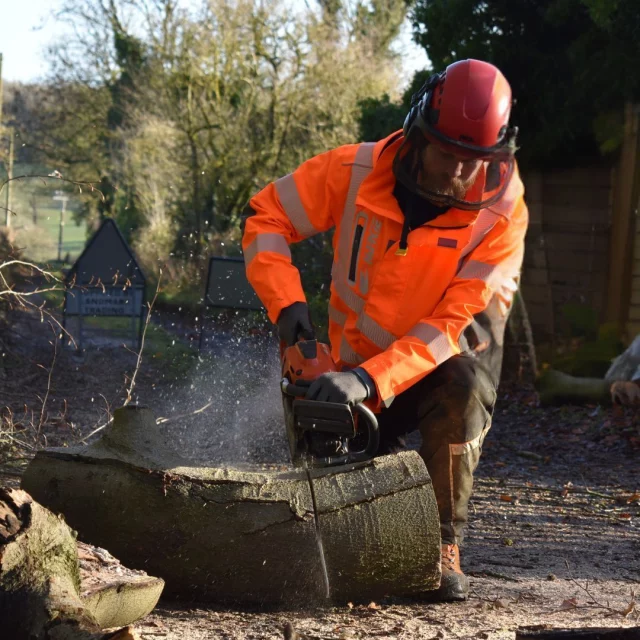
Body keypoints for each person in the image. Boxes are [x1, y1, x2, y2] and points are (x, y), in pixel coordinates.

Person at [242, 59, 529, 602]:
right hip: (349, 371)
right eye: (448, 154)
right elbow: (266, 216)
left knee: (466, 388)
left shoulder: (502, 215)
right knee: (327, 534)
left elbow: (457, 323)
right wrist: (288, 310)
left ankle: (441, 543)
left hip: (439, 370)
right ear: (421, 133)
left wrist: (370, 381)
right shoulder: (357, 170)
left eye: (474, 161)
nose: (458, 173)